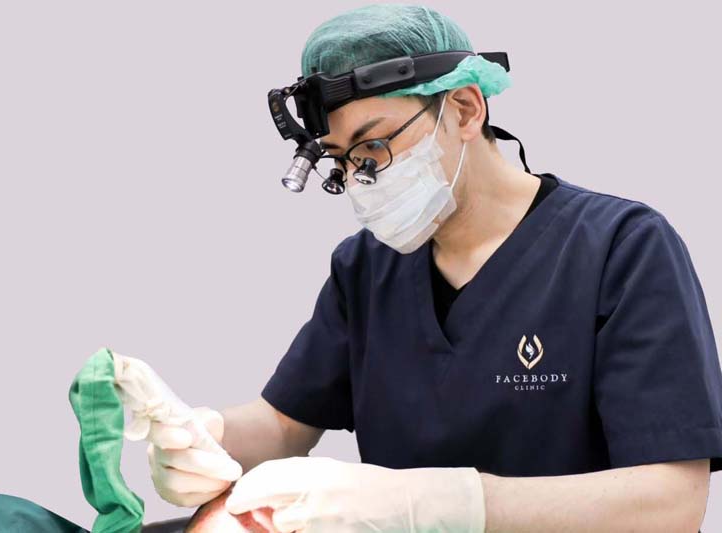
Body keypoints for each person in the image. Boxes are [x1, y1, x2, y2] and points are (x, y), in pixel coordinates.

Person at [142, 4, 722, 532]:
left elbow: (671, 503)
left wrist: (440, 504)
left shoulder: (621, 248)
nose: (362, 179)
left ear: (465, 108)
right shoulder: (366, 268)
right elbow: (285, 424)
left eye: (374, 147)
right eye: (343, 162)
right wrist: (204, 436)